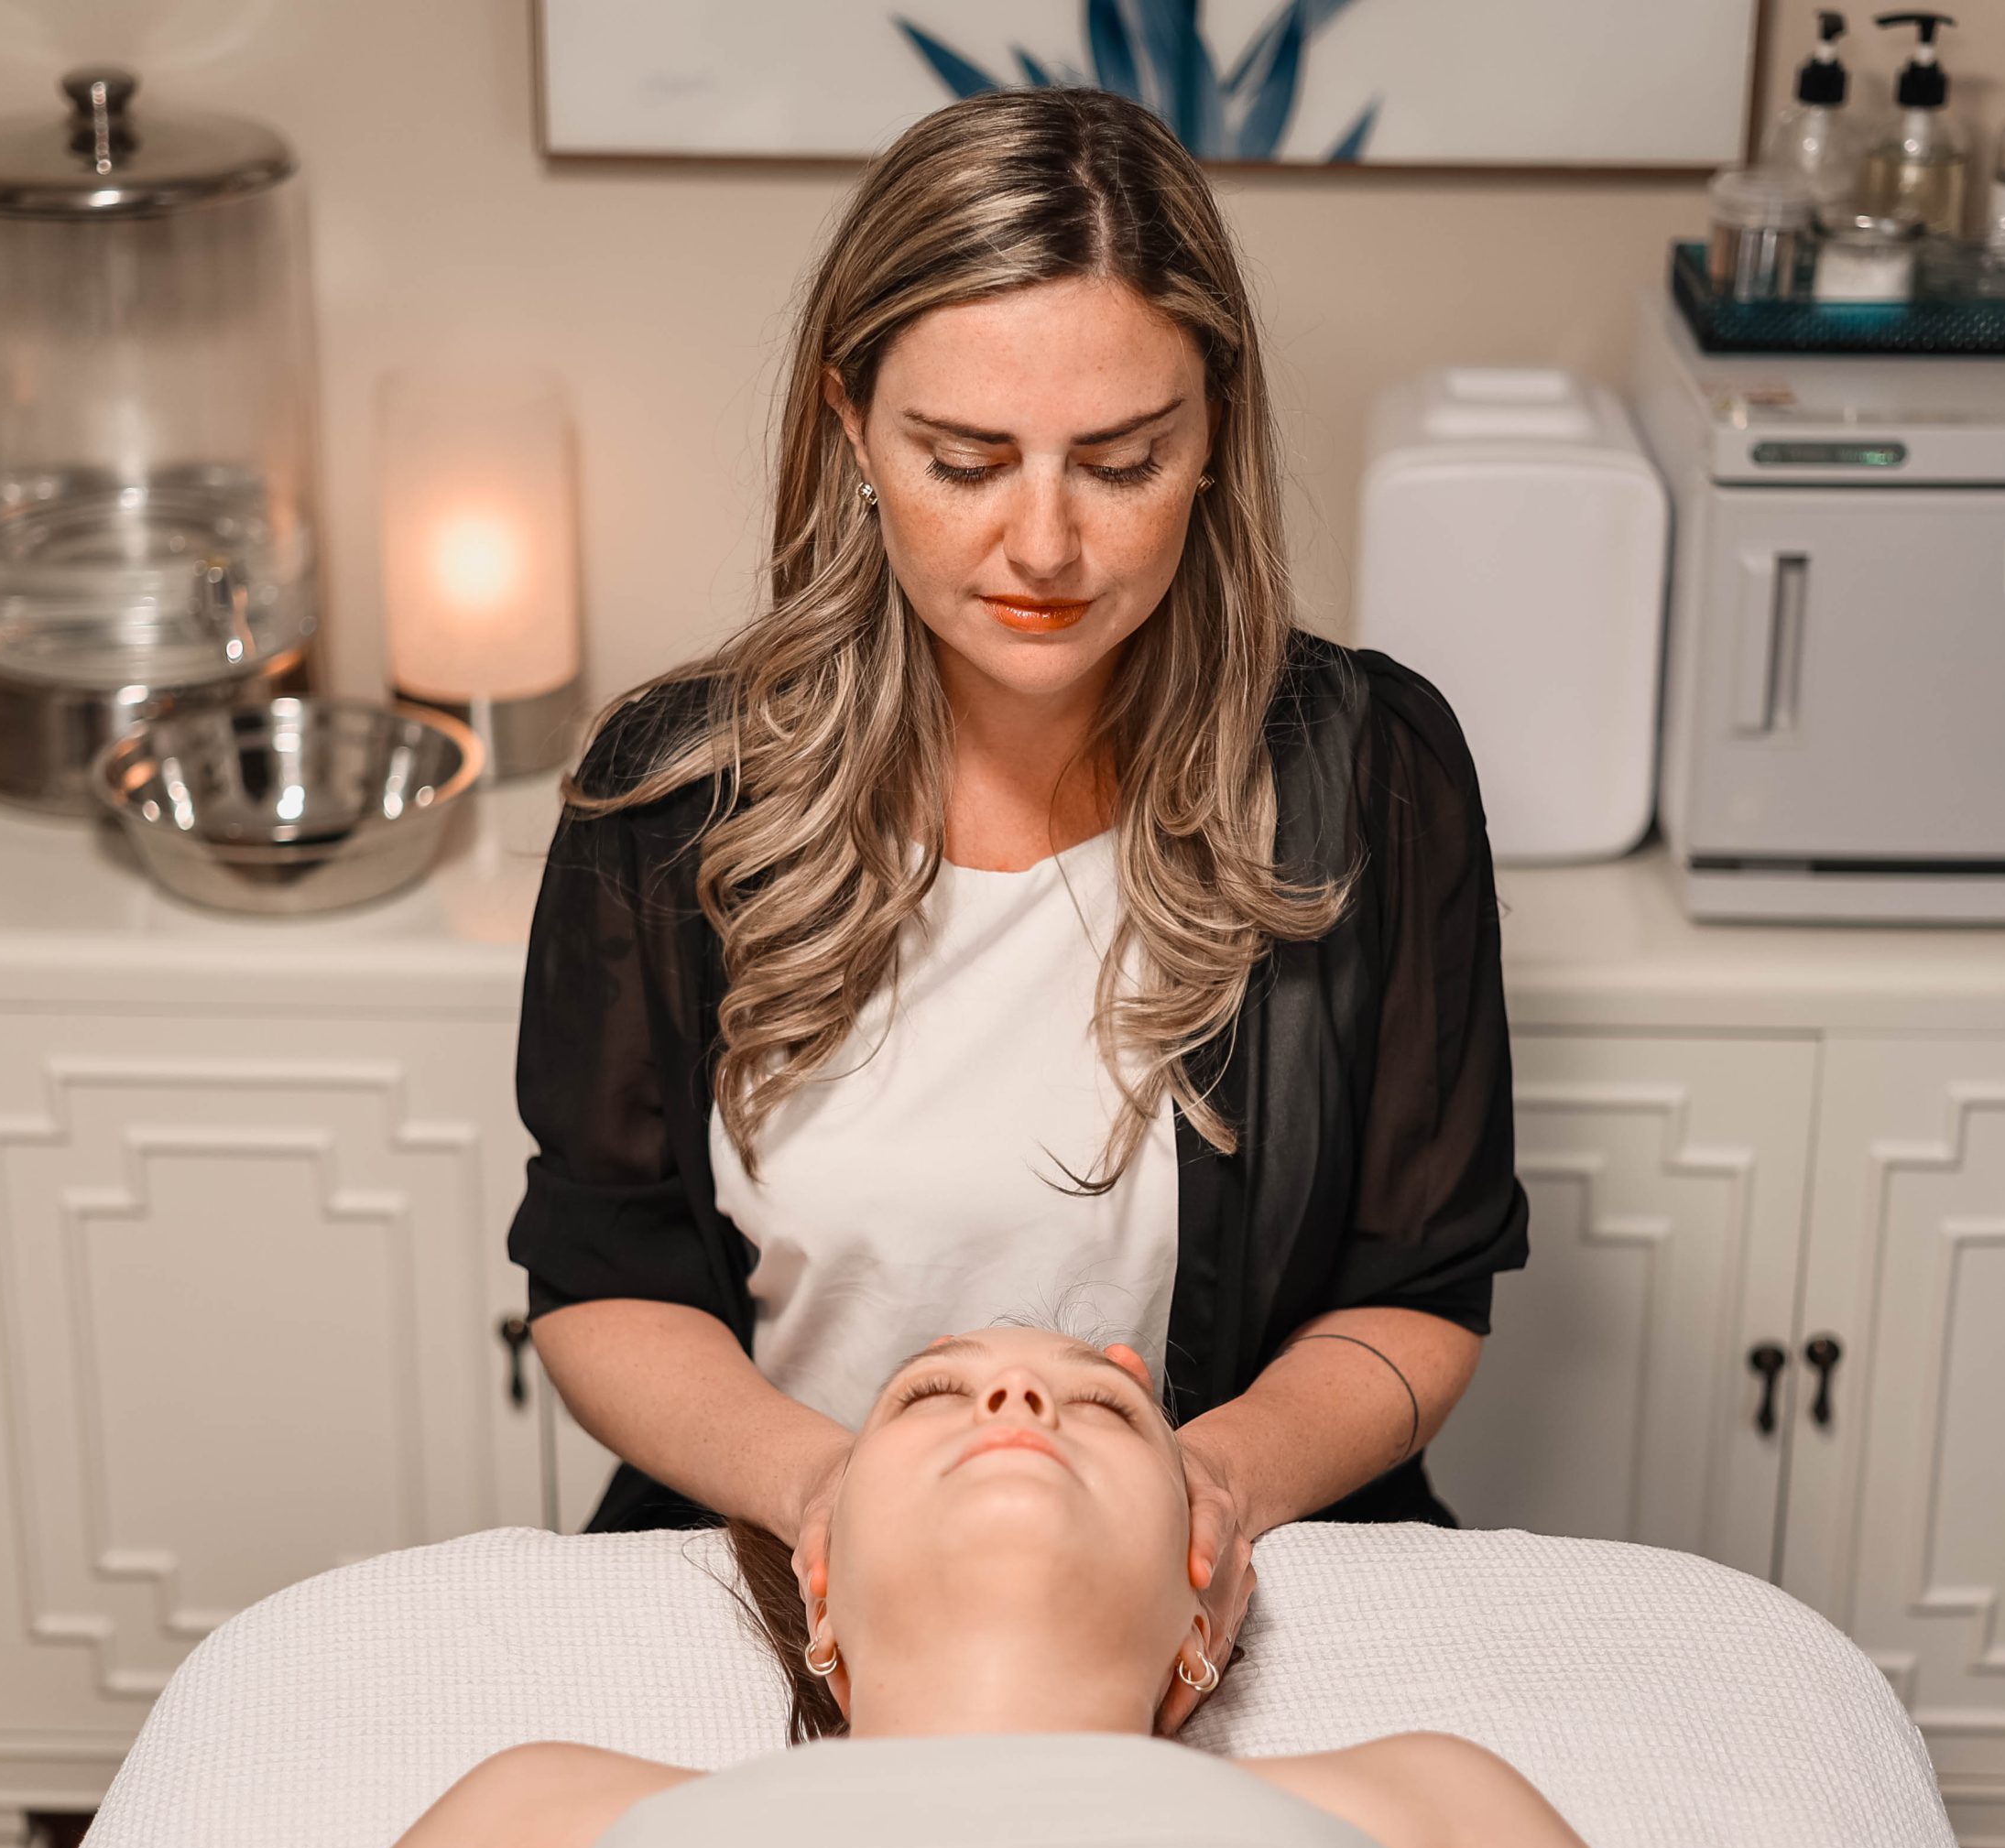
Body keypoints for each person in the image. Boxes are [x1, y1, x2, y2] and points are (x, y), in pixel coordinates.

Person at [509, 85, 1530, 1726]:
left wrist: (1198, 1501)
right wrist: (829, 1497)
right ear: (853, 429)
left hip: (1218, 1580)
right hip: (784, 1565)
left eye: (1121, 461)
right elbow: (602, 1277)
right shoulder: (674, 793)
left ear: (1212, 435)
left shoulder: (1368, 773)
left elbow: (1420, 1292)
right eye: (964, 461)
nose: (1043, 543)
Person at [212, 1327, 1768, 1848]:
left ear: (1203, 1609)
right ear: (817, 1593)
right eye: (928, 1399)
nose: (1018, 1390)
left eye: (1100, 1410)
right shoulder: (543, 1812)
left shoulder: (1427, 1801)